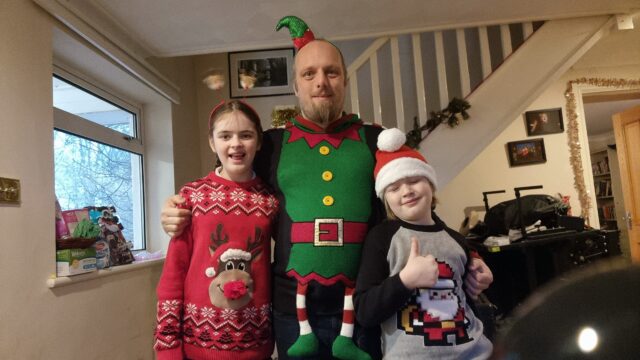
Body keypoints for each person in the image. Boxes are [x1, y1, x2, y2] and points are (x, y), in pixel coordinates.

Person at [161, 15, 493, 360]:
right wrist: (178, 207)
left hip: (364, 306)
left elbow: (417, 206)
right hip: (292, 310)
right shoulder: (272, 145)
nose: (321, 82)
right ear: (296, 86)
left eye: (331, 72)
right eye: (309, 74)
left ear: (345, 81)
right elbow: (230, 182)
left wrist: (470, 256)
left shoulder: (374, 139)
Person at [154, 100, 279, 360]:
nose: (236, 144)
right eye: (225, 136)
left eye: (246, 135)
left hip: (257, 344)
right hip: (198, 347)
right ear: (212, 142)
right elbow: (173, 274)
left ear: (258, 142)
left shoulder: (270, 200)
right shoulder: (192, 197)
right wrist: (167, 345)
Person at [354, 128, 493, 359]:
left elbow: (468, 296)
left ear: (431, 184)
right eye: (394, 188)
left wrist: (480, 275)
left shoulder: (456, 239)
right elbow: (365, 311)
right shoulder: (382, 238)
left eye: (414, 180)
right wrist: (404, 281)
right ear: (385, 199)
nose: (407, 191)